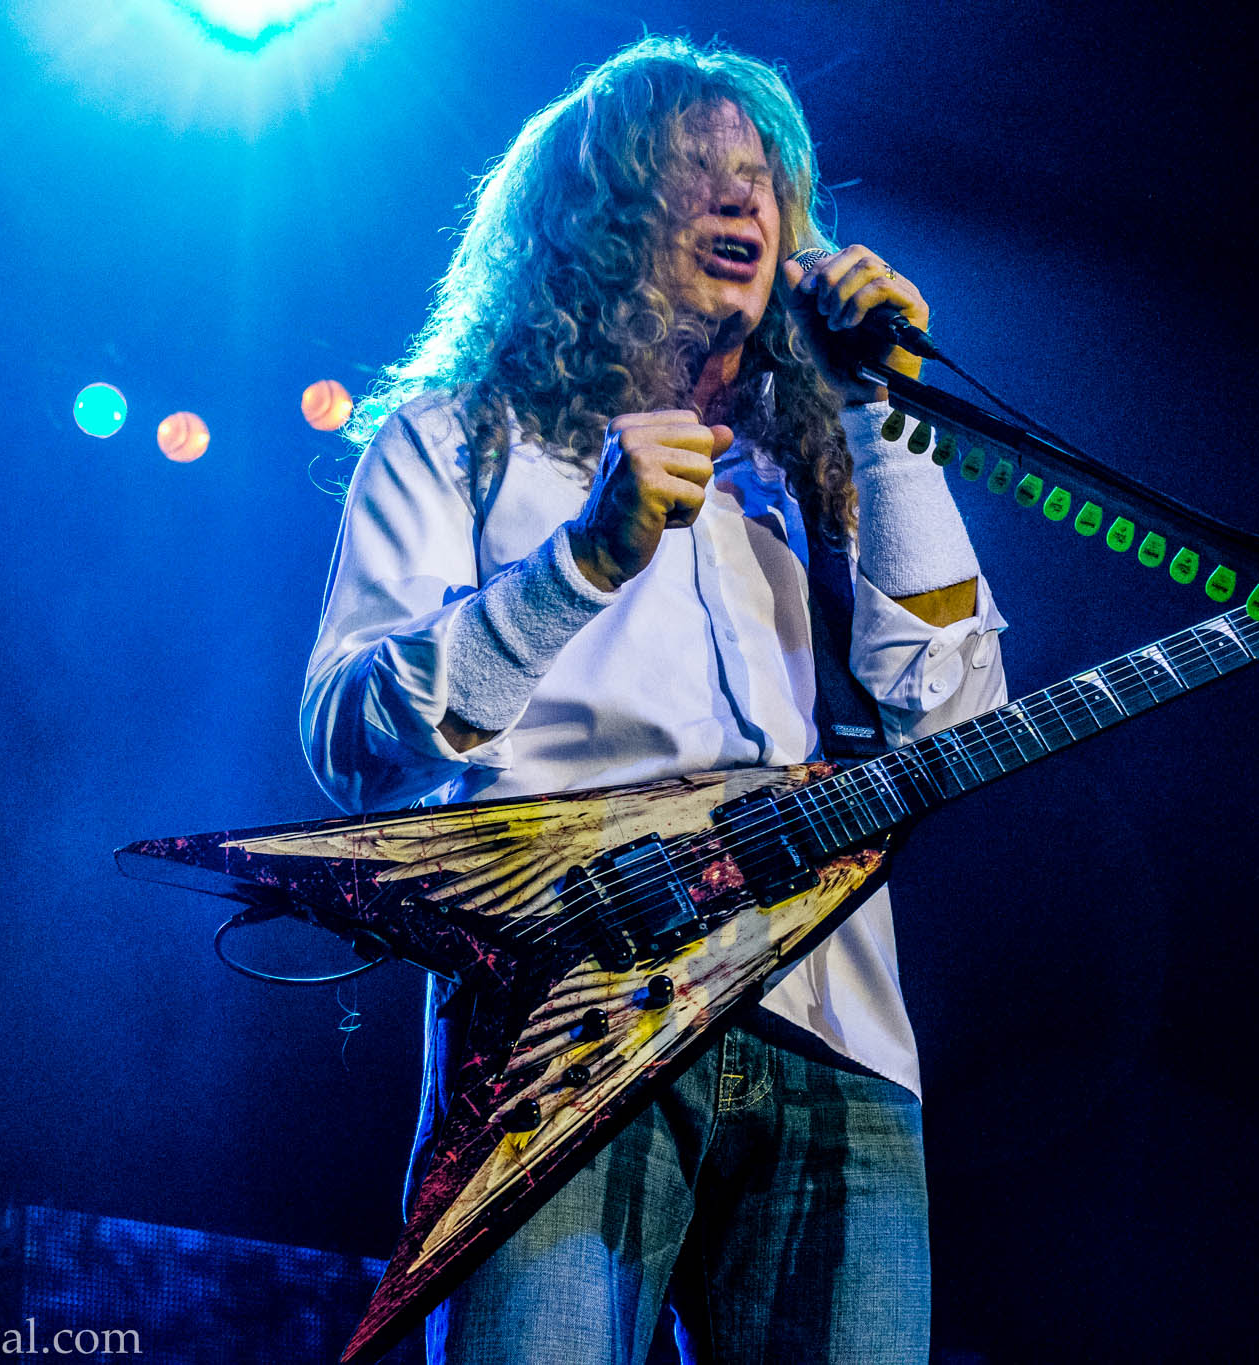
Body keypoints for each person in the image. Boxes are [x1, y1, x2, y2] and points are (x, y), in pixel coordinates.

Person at [302, 35, 1008, 1365]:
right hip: (567, 1021)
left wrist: (878, 417)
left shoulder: (815, 473)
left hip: (836, 1037)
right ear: (599, 208)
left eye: (765, 175)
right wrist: (580, 563)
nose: (745, 197)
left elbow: (956, 724)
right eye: (693, 166)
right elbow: (350, 740)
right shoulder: (463, 436)